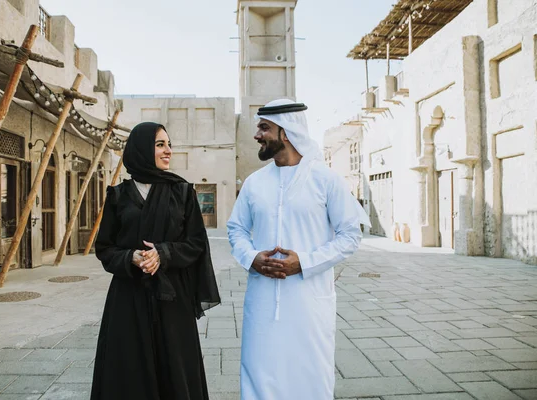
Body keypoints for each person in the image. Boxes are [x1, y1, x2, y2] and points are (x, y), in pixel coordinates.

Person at [227, 99, 370, 399]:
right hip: (262, 302)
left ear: (287, 132)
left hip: (309, 305)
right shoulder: (255, 183)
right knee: (258, 377)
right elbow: (236, 229)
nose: (257, 135)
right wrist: (252, 257)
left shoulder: (325, 180)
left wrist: (304, 262)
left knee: (310, 379)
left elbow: (350, 235)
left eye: (264, 128)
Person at [91, 122, 221, 400]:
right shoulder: (118, 196)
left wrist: (163, 254)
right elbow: (104, 248)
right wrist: (132, 257)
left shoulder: (182, 192)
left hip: (172, 298)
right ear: (140, 148)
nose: (168, 151)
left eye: (169, 144)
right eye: (160, 144)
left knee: (174, 369)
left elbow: (196, 243)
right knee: (129, 372)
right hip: (128, 298)